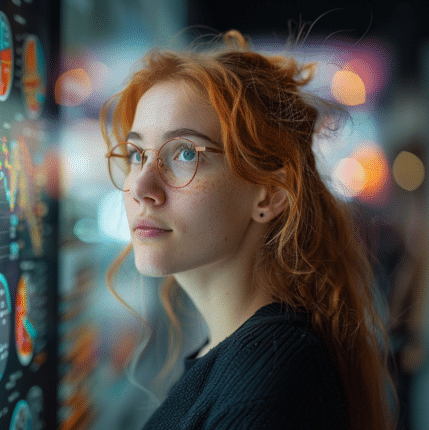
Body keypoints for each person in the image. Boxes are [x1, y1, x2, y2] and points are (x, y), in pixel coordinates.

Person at [100, 30, 395, 429]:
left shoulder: (271, 381)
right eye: (137, 154)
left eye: (186, 153)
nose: (140, 187)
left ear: (270, 194)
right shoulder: (246, 355)